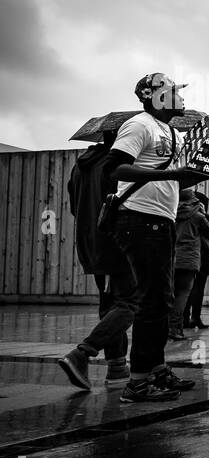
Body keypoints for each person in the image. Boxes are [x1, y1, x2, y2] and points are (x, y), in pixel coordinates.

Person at [59, 73, 196, 402]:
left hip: (158, 221)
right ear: (157, 97)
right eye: (174, 92)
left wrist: (188, 177)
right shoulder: (140, 125)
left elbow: (169, 179)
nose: (180, 97)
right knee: (146, 302)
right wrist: (169, 174)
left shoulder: (169, 132)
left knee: (155, 300)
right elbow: (116, 169)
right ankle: (136, 382)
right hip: (139, 221)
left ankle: (154, 369)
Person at [63, 123, 131, 386]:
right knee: (130, 303)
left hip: (90, 243)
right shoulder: (115, 165)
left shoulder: (81, 166)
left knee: (109, 304)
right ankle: (82, 353)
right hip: (117, 242)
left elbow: (73, 207)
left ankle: (116, 367)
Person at [169, 187, 209, 340]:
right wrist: (204, 213)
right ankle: (176, 328)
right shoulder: (197, 216)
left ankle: (166, 327)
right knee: (182, 294)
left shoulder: (171, 213)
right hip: (189, 260)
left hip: (172, 258)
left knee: (170, 294)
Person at [183, 191, 209, 330]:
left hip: (181, 256)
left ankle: (183, 319)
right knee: (198, 288)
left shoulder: (176, 213)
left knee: (183, 289)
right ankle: (195, 317)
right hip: (201, 255)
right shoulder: (200, 216)